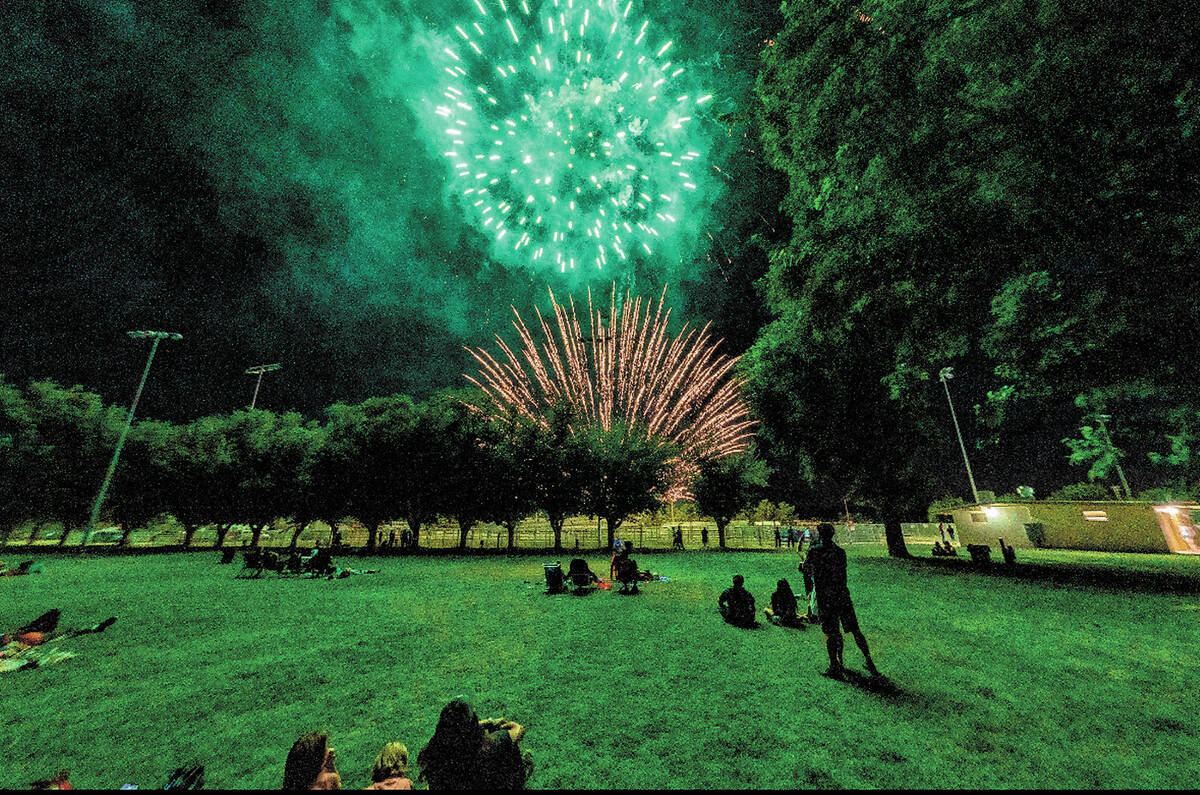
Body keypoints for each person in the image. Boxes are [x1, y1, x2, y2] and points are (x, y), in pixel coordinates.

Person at [804, 522, 880, 678]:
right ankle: (868, 660)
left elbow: (806, 570)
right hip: (842, 595)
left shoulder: (814, 552)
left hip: (826, 597)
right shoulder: (840, 552)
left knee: (831, 633)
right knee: (855, 630)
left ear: (820, 535)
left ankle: (834, 665)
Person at [417, 698, 533, 790]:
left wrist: (488, 722)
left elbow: (459, 730)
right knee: (512, 752)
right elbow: (517, 730)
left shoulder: (434, 751)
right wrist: (504, 726)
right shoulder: (492, 746)